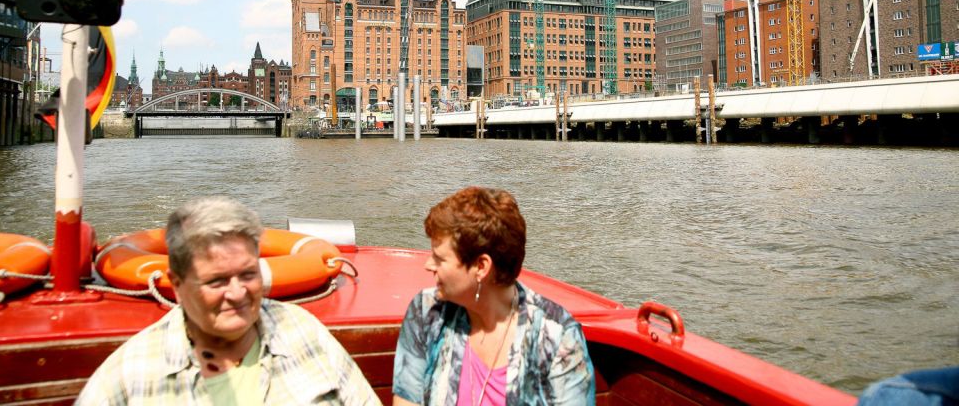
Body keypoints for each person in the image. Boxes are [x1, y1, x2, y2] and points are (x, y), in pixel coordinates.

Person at [77, 196, 380, 405]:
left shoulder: (303, 331)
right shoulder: (131, 373)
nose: (237, 294)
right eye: (216, 281)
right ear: (179, 286)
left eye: (248, 275)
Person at [392, 186, 595, 406]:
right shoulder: (426, 312)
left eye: (440, 259)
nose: (428, 265)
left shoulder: (556, 336)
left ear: (481, 266)